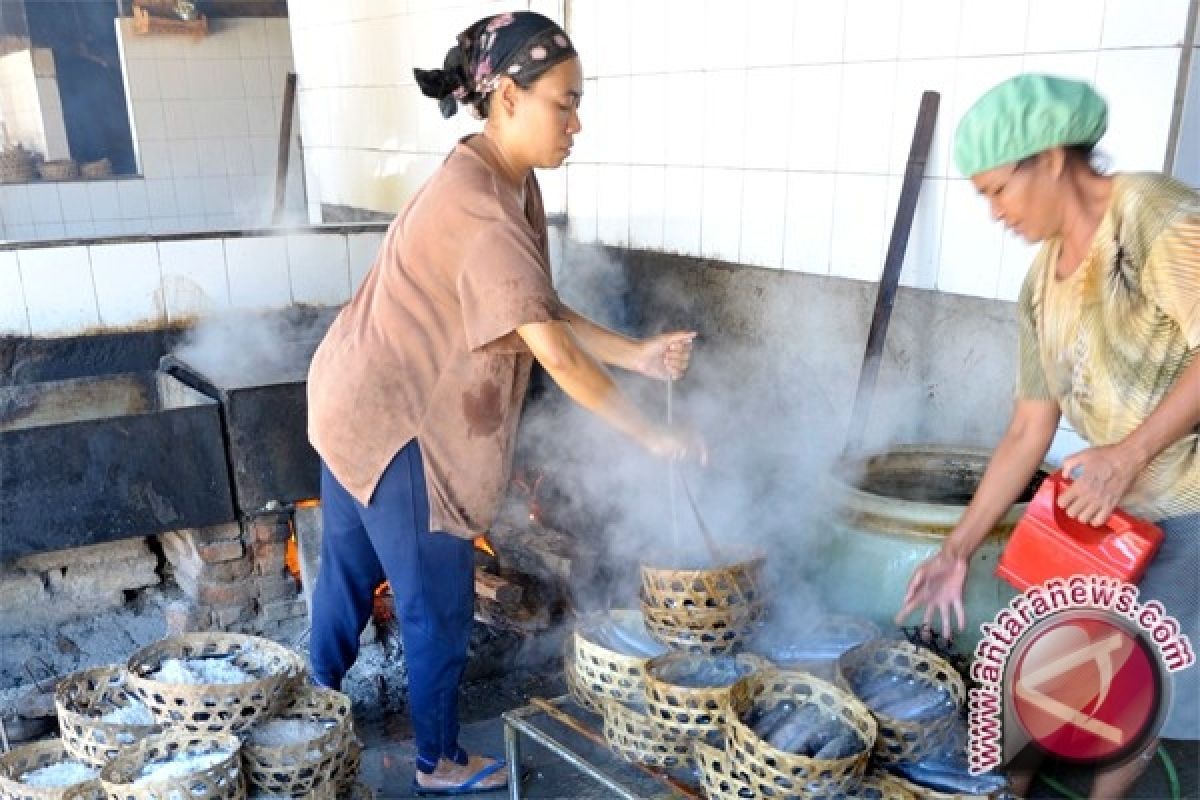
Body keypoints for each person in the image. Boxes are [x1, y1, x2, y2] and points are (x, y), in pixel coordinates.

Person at [305, 12, 702, 796]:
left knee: (346, 584)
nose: (577, 122)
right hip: (399, 429)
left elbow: (537, 306)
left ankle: (304, 720)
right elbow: (550, 348)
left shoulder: (497, 178)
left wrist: (636, 354)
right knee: (436, 614)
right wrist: (648, 438)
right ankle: (438, 762)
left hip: (349, 404)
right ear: (509, 97)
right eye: (565, 102)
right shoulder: (485, 205)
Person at [896, 73, 1198, 799]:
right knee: (1034, 663)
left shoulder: (1153, 216)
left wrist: (1129, 454)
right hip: (1097, 512)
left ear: (1052, 158)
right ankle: (1000, 793)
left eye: (999, 189)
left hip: (1183, 505)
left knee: (1128, 690)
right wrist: (956, 548)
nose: (995, 211)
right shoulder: (1041, 281)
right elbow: (1030, 426)